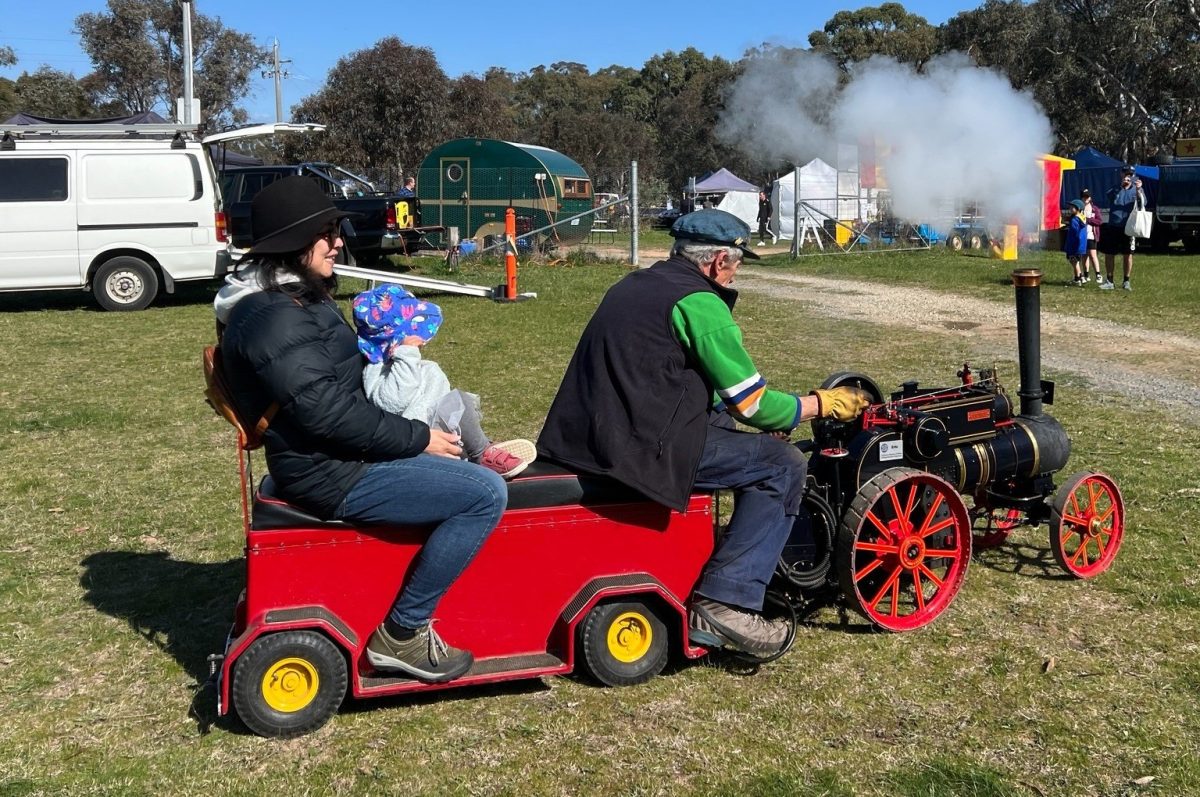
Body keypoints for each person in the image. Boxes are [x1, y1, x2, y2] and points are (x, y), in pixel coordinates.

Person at [537, 209, 870, 658]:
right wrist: (820, 404)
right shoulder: (701, 303)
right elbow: (754, 404)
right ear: (718, 262)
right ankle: (726, 601)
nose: (736, 274)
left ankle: (727, 562)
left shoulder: (636, 284)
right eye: (737, 265)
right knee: (783, 466)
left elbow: (666, 374)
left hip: (584, 436)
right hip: (637, 449)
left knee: (732, 430)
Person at [214, 176, 506, 683]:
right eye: (327, 233)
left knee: (460, 461)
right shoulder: (273, 317)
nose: (338, 242)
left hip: (334, 457)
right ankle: (403, 633)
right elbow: (325, 413)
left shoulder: (287, 300)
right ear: (294, 242)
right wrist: (418, 439)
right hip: (334, 472)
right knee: (484, 492)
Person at [352, 283, 536, 479]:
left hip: (436, 424)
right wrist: (407, 353)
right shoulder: (376, 370)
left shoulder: (396, 361)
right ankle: (482, 454)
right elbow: (393, 401)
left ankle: (478, 445)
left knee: (461, 401)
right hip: (419, 436)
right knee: (459, 403)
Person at [1100, 165, 1146, 291]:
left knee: (1128, 254)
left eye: (1130, 174)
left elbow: (1143, 204)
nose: (1128, 176)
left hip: (1128, 227)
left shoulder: (1137, 190)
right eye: (1126, 174)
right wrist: (1121, 187)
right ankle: (1109, 280)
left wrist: (1138, 190)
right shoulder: (1115, 188)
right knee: (1109, 253)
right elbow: (1109, 198)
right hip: (1113, 225)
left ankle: (1126, 281)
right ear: (1121, 174)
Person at [1081, 188, 1103, 283]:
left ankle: (1098, 274)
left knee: (1093, 255)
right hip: (1082, 235)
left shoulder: (1095, 209)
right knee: (1084, 255)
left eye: (1087, 197)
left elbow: (1099, 221)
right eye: (1083, 197)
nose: (1085, 198)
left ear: (1090, 198)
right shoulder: (1080, 208)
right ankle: (1086, 274)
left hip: (1091, 235)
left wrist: (1088, 220)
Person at [1064, 199, 1088, 285]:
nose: (1070, 208)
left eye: (1072, 207)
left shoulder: (1074, 219)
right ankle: (1079, 277)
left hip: (1074, 244)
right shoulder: (1082, 217)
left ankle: (1078, 278)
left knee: (1074, 261)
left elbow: (1074, 232)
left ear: (1078, 208)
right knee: (1076, 261)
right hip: (1081, 244)